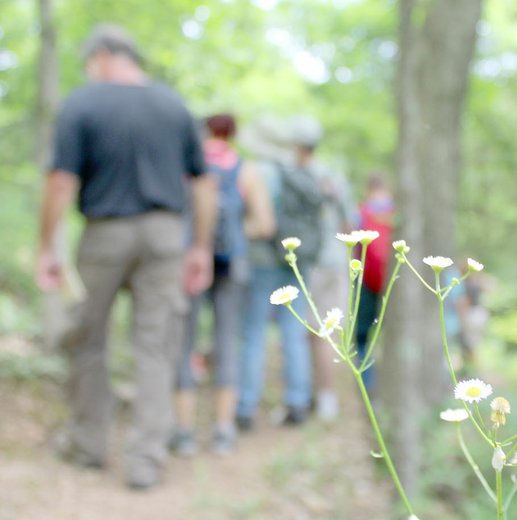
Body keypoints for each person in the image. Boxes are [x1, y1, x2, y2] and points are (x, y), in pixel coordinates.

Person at [36, 25, 216, 490]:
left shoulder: (83, 102)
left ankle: (89, 444)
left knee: (88, 337)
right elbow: (203, 182)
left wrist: (46, 247)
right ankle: (145, 459)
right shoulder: (173, 104)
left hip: (105, 234)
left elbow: (60, 181)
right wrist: (199, 247)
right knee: (156, 344)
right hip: (164, 236)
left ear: (102, 56)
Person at [172, 114, 273, 456]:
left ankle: (184, 431)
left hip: (189, 263)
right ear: (233, 134)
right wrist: (236, 235)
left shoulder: (187, 164)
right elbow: (265, 224)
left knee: (183, 341)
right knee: (227, 340)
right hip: (233, 264)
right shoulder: (246, 170)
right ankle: (223, 430)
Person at [235, 115, 323, 429]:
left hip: (261, 261)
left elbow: (259, 222)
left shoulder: (256, 172)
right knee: (293, 332)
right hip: (296, 262)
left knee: (253, 333)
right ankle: (297, 402)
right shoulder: (298, 172)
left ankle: (245, 406)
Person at [308, 149, 356, 421]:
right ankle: (326, 396)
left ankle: (309, 394)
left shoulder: (302, 177)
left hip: (308, 263)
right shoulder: (338, 182)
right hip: (336, 260)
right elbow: (350, 227)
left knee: (309, 331)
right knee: (327, 333)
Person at [354, 174, 395, 393]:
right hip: (393, 280)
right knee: (389, 333)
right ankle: (388, 382)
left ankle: (367, 382)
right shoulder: (396, 212)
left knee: (362, 333)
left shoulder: (362, 211)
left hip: (366, 281)